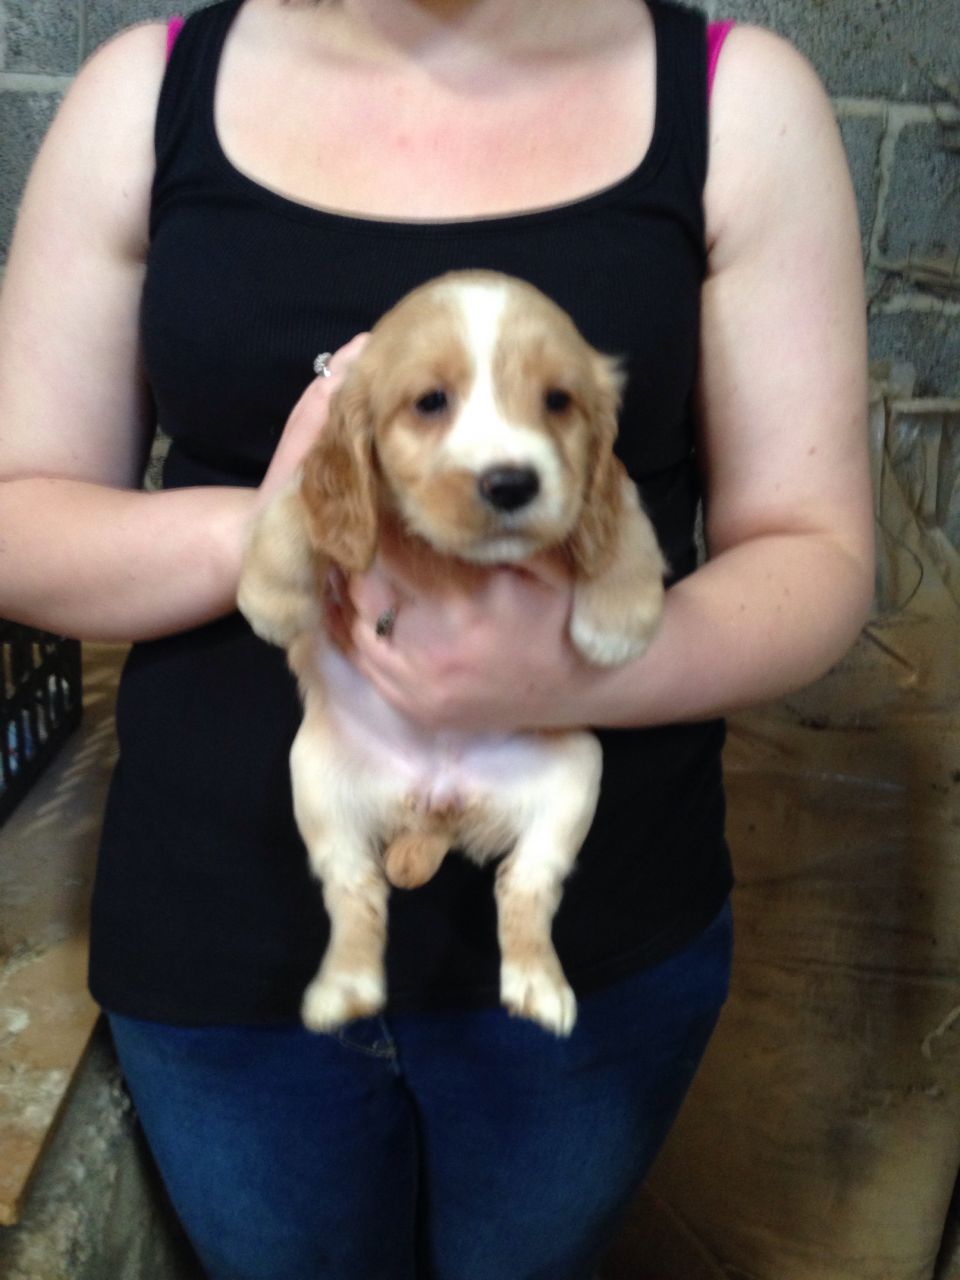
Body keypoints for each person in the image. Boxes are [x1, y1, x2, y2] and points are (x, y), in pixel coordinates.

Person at [0, 0, 873, 1276]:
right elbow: (19, 517)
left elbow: (819, 552)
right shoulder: (144, 95)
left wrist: (572, 668)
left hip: (592, 941)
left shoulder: (739, 106)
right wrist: (272, 529)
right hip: (225, 942)